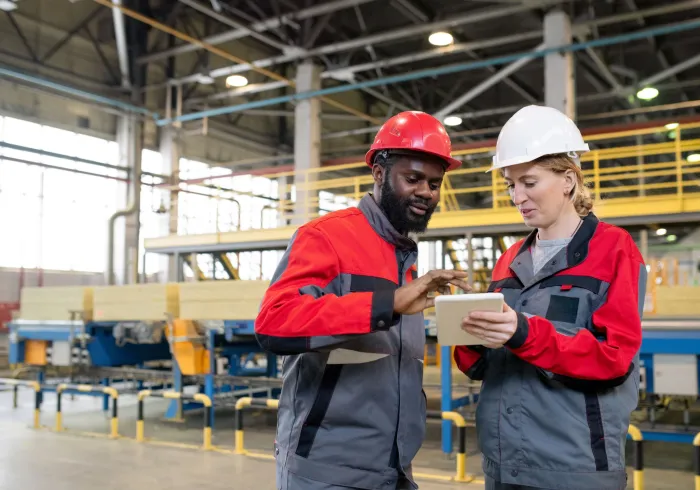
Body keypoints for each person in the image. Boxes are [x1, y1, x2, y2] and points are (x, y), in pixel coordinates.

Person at [256, 111, 471, 490]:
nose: (426, 192)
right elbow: (275, 321)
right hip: (327, 469)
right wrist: (385, 303)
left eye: (435, 184)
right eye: (413, 178)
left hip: (394, 467)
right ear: (379, 174)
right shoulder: (326, 238)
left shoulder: (404, 256)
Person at [454, 105, 646, 490]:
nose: (516, 196)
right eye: (510, 184)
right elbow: (481, 367)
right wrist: (470, 334)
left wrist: (523, 333)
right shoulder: (510, 259)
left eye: (529, 181)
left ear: (568, 180)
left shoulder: (613, 249)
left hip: (574, 468)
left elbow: (615, 358)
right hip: (504, 463)